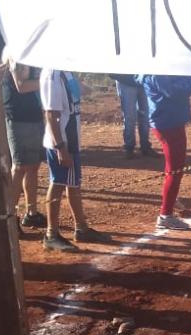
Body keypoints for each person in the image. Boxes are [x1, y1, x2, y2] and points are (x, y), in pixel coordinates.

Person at [39, 67, 111, 250]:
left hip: (71, 139)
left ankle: (81, 228)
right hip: (62, 141)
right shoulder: (52, 74)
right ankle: (51, 234)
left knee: (73, 183)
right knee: (58, 183)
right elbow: (51, 115)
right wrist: (61, 148)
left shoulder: (66, 72)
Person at [136, 74, 191, 231]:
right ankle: (166, 215)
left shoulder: (156, 71)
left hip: (170, 120)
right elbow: (175, 92)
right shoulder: (156, 73)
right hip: (168, 122)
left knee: (174, 168)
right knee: (175, 169)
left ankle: (170, 201)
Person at [0, 45, 46, 230]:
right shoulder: (16, 50)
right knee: (19, 168)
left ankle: (31, 213)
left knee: (33, 166)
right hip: (18, 116)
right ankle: (11, 217)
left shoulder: (30, 49)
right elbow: (21, 85)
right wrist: (49, 79)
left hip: (33, 115)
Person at [108, 73, 158, 159]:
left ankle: (145, 146)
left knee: (146, 116)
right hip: (125, 81)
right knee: (130, 116)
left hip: (144, 81)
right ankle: (129, 148)